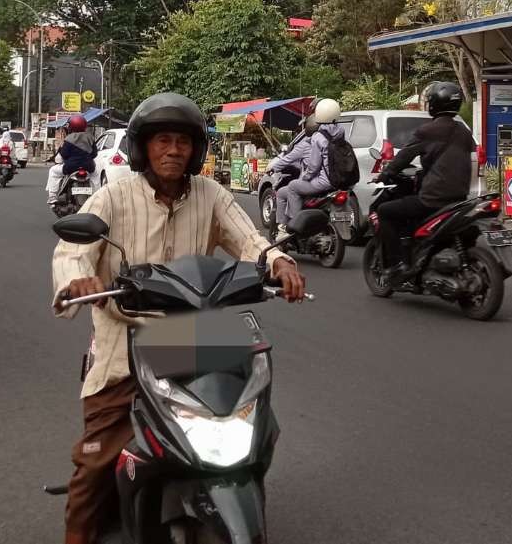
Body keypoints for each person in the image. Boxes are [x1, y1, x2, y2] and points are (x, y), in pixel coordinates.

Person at [51, 92, 306, 544]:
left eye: (183, 142)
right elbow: (73, 252)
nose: (173, 150)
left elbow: (249, 239)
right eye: (162, 140)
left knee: (256, 427)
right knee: (93, 464)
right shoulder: (113, 197)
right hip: (128, 342)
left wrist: (278, 261)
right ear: (142, 147)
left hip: (199, 335)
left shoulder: (210, 194)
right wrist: (78, 282)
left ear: (196, 149)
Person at [375, 82, 475, 283]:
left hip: (432, 199)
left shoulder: (428, 131)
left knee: (385, 211)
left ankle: (397, 265)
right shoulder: (464, 132)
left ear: (434, 104)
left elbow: (403, 157)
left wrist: (385, 174)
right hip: (460, 198)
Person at [281, 98, 344, 232]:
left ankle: (294, 225)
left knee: (293, 186)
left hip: (325, 181)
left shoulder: (318, 137)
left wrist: (306, 177)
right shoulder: (340, 131)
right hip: (340, 180)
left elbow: (314, 166)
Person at [268, 114, 318, 234]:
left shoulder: (306, 144)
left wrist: (273, 168)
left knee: (284, 191)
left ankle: (289, 226)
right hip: (331, 183)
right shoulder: (331, 140)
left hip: (313, 184)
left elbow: (287, 159)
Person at [46, 115, 98, 206]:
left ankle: (52, 196)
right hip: (89, 167)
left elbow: (63, 155)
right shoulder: (90, 138)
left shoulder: (69, 139)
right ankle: (98, 197)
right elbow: (94, 154)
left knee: (53, 171)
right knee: (96, 177)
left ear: (71, 126)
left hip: (71, 167)